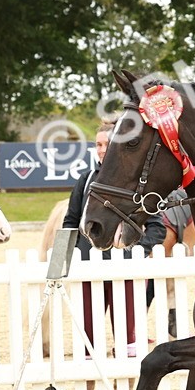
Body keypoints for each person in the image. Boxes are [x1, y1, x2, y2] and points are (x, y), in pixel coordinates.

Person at [62, 122, 166, 360]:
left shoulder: (135, 183)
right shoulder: (85, 180)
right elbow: (70, 222)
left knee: (128, 341)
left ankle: (129, 389)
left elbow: (156, 227)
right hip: (88, 270)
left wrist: (135, 252)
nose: (101, 150)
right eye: (97, 145)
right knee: (88, 340)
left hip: (125, 273)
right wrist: (62, 262)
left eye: (106, 144)